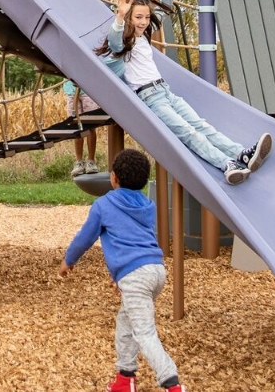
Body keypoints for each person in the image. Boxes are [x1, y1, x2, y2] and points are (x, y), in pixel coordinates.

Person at [95, 0, 272, 185]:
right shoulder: (125, 42)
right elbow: (114, 41)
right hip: (150, 97)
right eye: (138, 17)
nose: (143, 21)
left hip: (165, 91)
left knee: (201, 125)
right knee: (188, 132)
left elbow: (161, 12)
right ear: (129, 18)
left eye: (146, 17)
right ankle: (226, 165)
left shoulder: (142, 36)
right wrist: (120, 17)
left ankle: (240, 154)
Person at [60, 149, 185, 392]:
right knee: (126, 322)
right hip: (155, 269)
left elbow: (85, 237)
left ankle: (172, 383)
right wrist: (122, 276)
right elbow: (133, 240)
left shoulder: (103, 205)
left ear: (114, 178)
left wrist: (69, 260)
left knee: (144, 332)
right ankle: (125, 378)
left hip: (136, 276)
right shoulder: (147, 205)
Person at [64, 80, 102, 175]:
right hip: (71, 90)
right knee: (77, 128)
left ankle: (91, 161)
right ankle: (79, 162)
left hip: (88, 90)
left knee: (90, 126)